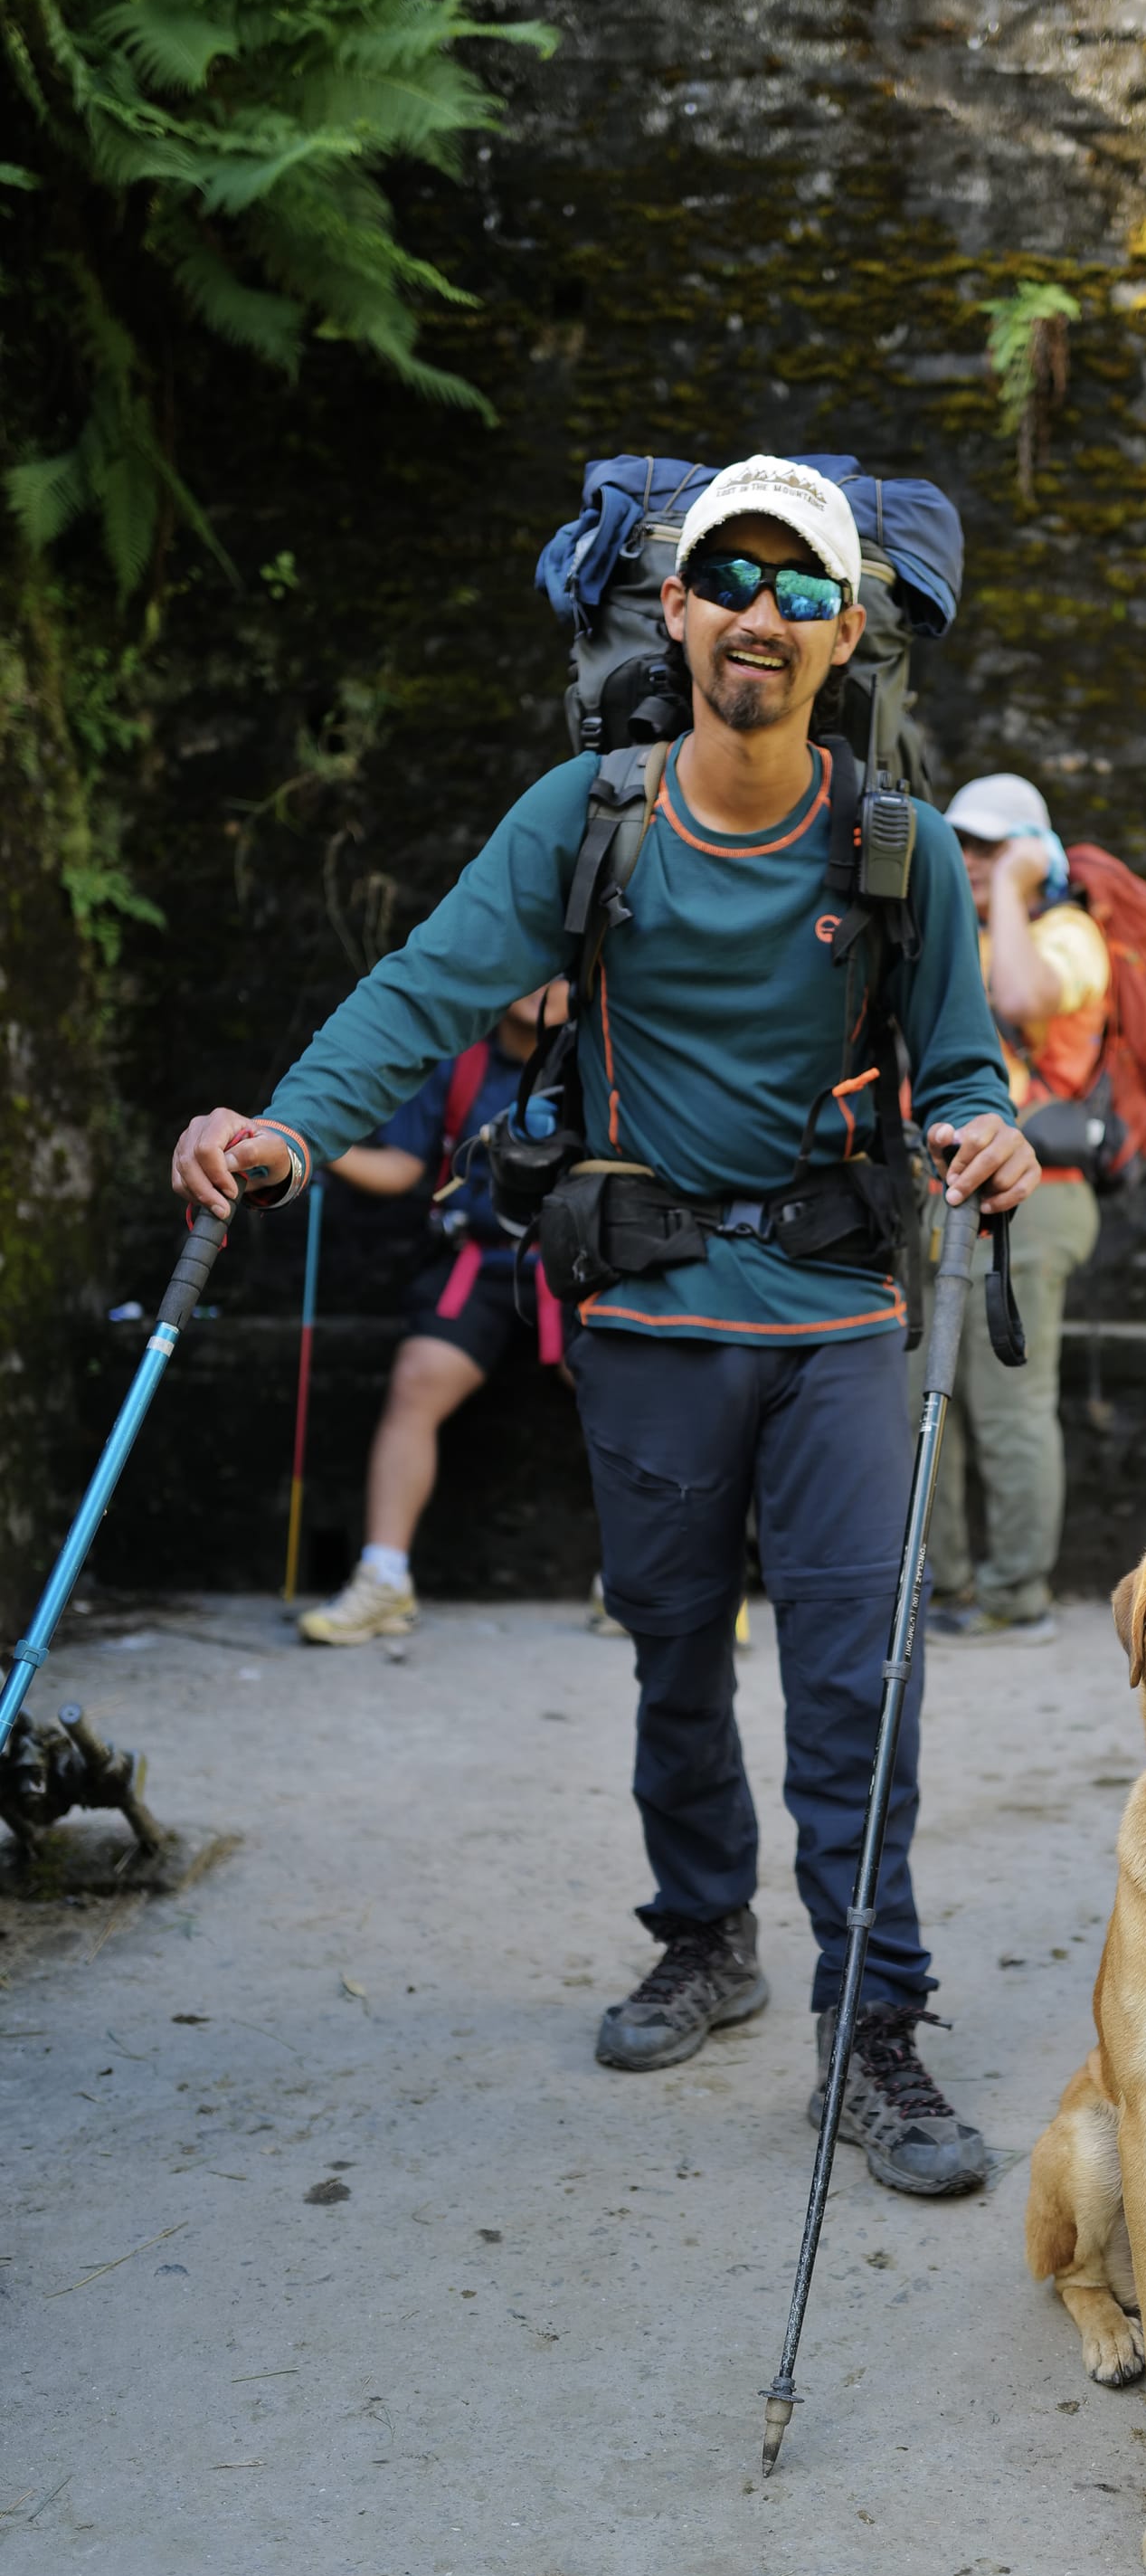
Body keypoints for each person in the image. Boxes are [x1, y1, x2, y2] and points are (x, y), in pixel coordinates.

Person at [171, 454, 1037, 2199]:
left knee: (861, 1673)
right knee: (671, 1648)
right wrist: (288, 1130)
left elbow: (958, 1067)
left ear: (846, 635)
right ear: (678, 604)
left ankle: (873, 2023)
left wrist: (987, 1132)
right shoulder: (590, 815)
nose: (766, 615)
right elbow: (425, 986)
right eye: (737, 578)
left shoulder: (898, 851)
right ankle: (706, 1937)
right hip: (645, 1309)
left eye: (806, 590)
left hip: (838, 1316)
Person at [298, 983, 570, 1645]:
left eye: (563, 971)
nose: (545, 984)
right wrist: (306, 1143)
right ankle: (384, 1578)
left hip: (574, 1265)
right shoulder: (460, 1059)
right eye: (536, 966)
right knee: (416, 1380)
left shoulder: (609, 1056)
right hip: (477, 1261)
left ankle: (648, 1583)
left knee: (636, 1385)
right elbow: (400, 1167)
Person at [922, 773, 1109, 1645]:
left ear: (1036, 855)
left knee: (1009, 1408)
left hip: (1036, 1201)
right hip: (945, 1192)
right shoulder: (957, 929)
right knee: (930, 1402)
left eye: (991, 846)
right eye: (962, 843)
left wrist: (1012, 885)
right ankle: (947, 1583)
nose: (970, 858)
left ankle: (1016, 1595)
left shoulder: (1067, 934)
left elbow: (1022, 1002)